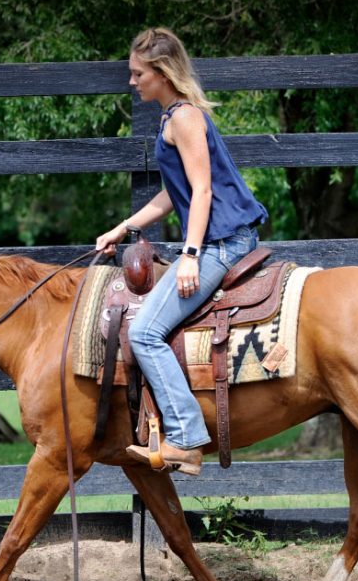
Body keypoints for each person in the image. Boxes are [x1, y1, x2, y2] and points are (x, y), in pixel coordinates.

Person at [96, 27, 267, 476]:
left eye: (138, 74)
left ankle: (187, 438)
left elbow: (204, 191)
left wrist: (190, 254)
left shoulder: (185, 118)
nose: (132, 82)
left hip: (222, 243)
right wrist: (123, 227)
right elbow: (176, 193)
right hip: (215, 239)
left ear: (163, 72)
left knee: (145, 331)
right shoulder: (171, 116)